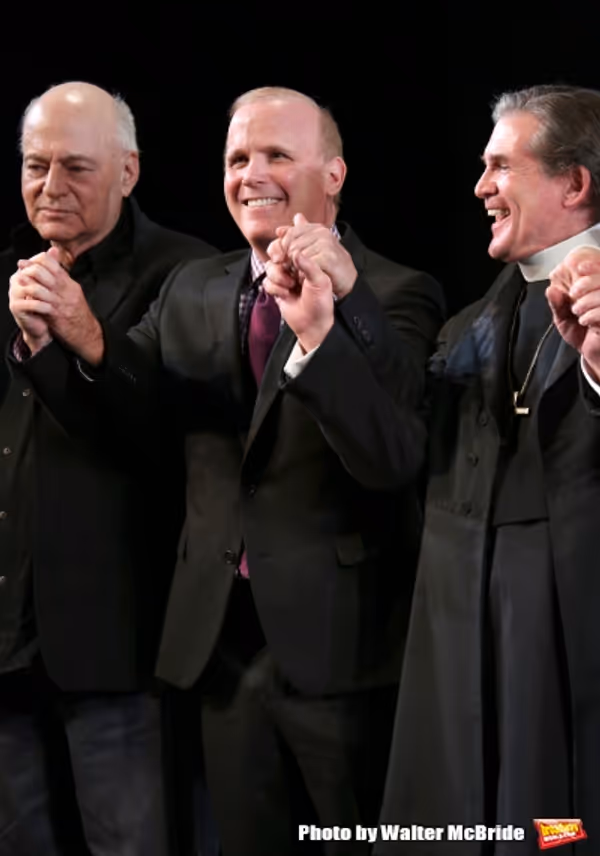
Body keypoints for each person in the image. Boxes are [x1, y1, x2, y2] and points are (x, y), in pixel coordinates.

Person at [10, 86, 444, 856]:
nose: (253, 173)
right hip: (218, 648)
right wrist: (69, 339)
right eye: (238, 157)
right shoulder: (196, 285)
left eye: (278, 154)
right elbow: (134, 409)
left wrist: (324, 335)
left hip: (341, 652)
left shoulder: (396, 292)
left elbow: (393, 458)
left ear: (335, 174)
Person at [377, 84, 600, 855]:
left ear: (575, 183)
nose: (480, 187)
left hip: (569, 623)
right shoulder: (469, 325)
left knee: (555, 828)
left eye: (501, 166)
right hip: (465, 617)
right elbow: (399, 447)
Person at [0, 81, 218, 856]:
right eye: (34, 166)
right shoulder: (8, 273)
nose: (50, 187)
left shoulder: (188, 274)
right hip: (9, 642)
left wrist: (84, 337)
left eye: (75, 168)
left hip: (116, 651)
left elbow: (176, 442)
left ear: (128, 172)